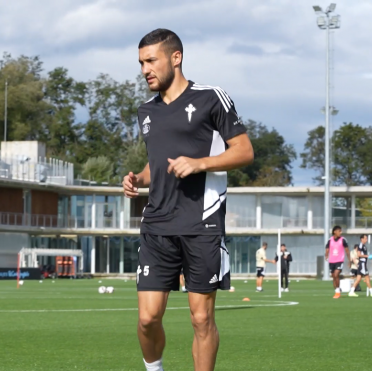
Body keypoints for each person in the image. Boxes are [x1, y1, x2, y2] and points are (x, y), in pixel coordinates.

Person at [123, 28, 254, 371]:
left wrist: (200, 164)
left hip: (202, 223)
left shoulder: (212, 98)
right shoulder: (146, 112)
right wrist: (138, 178)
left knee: (201, 319)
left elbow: (244, 151)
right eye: (140, 63)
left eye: (151, 61)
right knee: (148, 319)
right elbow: (157, 165)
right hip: (157, 225)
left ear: (175, 58)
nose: (144, 69)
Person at [325, 225, 350, 299]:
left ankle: (338, 292)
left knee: (336, 275)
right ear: (334, 232)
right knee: (333, 276)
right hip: (331, 261)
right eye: (339, 231)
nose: (340, 232)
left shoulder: (343, 240)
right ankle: (336, 290)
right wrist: (326, 255)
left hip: (339, 260)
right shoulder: (330, 240)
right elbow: (327, 248)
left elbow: (347, 250)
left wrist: (349, 260)